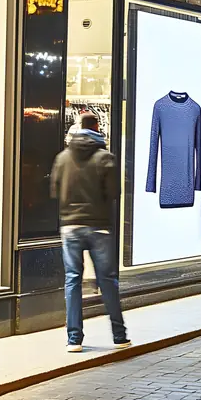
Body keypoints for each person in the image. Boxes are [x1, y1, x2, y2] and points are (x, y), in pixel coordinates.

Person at [50, 113, 130, 352]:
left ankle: (74, 339)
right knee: (107, 280)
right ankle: (119, 336)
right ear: (97, 127)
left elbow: (54, 190)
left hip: (70, 226)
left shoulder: (62, 158)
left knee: (72, 279)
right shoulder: (106, 158)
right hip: (99, 225)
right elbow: (114, 192)